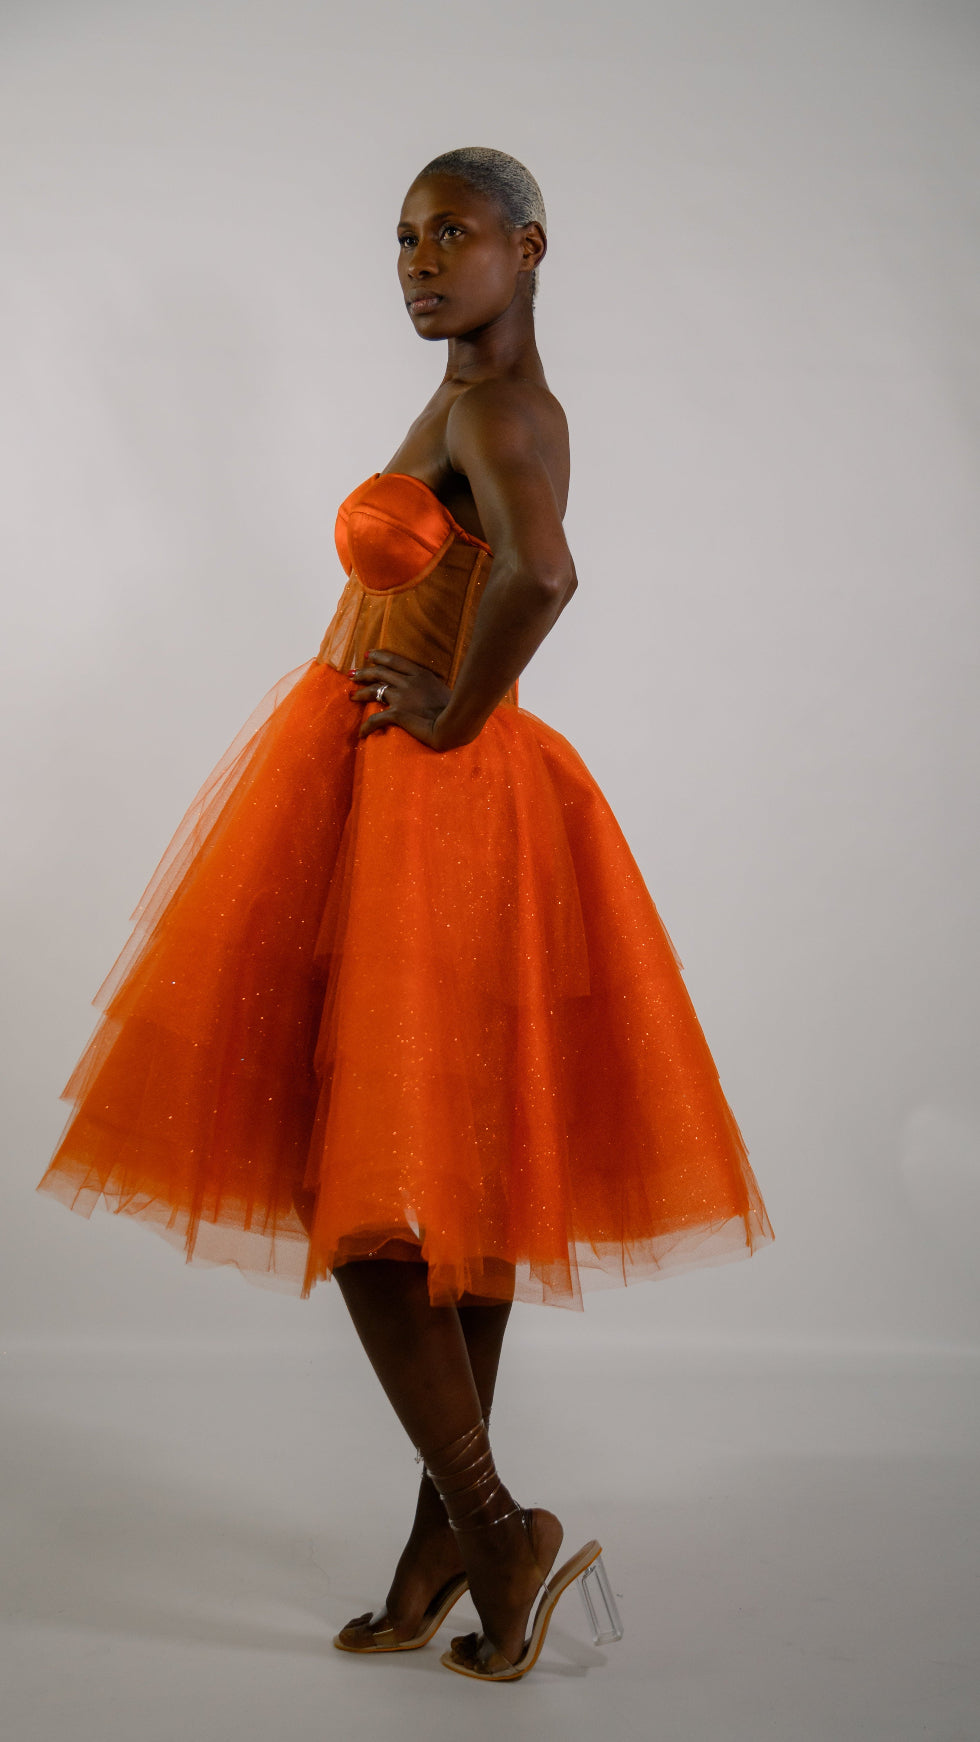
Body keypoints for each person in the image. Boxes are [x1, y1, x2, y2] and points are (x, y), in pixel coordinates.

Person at [35, 145, 775, 1681]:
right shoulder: (461, 400)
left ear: (532, 246)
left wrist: (448, 711)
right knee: (454, 1163)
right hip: (416, 791)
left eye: (455, 234)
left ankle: (498, 1522)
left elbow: (544, 570)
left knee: (363, 1174)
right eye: (403, 238)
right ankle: (453, 1531)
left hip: (435, 795)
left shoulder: (502, 410)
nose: (421, 261)